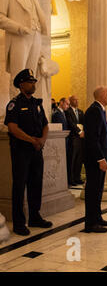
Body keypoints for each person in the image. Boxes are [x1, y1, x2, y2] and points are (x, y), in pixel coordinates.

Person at [4, 69, 52, 236]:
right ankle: (18, 223)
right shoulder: (14, 104)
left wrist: (42, 140)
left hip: (37, 150)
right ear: (21, 84)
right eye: (30, 82)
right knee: (19, 185)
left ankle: (35, 216)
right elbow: (12, 128)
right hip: (21, 151)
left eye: (34, 81)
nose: (34, 84)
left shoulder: (37, 104)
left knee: (35, 183)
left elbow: (45, 124)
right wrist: (33, 140)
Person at [0, 0, 49, 81]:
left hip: (36, 36)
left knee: (31, 75)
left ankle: (29, 98)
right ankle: (17, 98)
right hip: (18, 38)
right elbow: (0, 18)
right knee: (18, 75)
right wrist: (19, 28)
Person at [84, 86, 107, 233]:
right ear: (101, 96)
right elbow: (92, 139)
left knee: (98, 190)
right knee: (93, 190)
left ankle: (97, 217)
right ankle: (90, 223)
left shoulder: (100, 109)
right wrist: (100, 158)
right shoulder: (94, 111)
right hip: (95, 159)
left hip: (99, 157)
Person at [66, 95, 85, 186]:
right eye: (74, 100)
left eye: (77, 99)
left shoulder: (81, 112)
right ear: (70, 101)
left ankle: (77, 177)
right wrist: (79, 132)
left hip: (81, 139)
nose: (77, 101)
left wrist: (84, 132)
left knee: (79, 159)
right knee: (72, 159)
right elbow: (71, 124)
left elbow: (84, 123)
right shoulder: (68, 111)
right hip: (73, 138)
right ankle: (71, 179)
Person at [51, 97, 70, 186]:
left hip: (65, 140)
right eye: (67, 103)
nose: (68, 106)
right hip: (60, 141)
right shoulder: (57, 114)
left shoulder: (63, 113)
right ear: (61, 103)